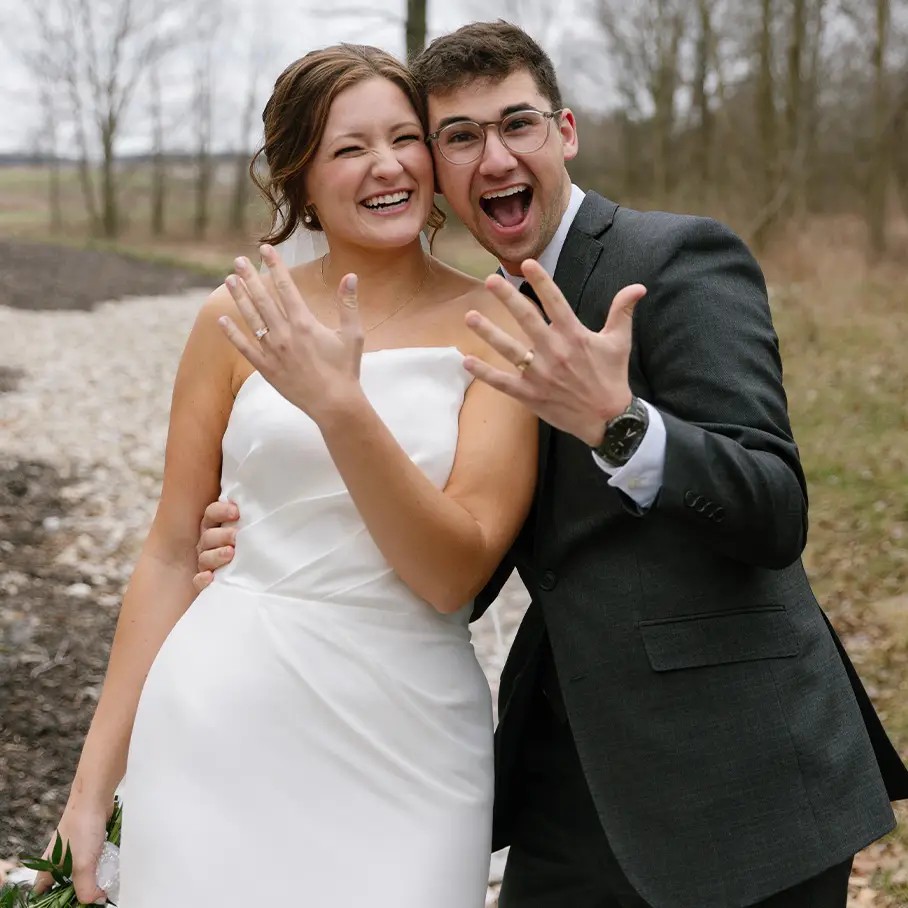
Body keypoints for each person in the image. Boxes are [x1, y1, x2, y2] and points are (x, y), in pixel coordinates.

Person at [196, 21, 908, 908]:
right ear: (438, 174)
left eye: (517, 124)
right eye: (459, 136)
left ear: (563, 133)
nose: (493, 157)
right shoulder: (481, 317)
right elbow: (466, 530)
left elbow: (774, 509)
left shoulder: (676, 258)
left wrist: (620, 426)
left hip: (741, 782)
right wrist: (265, 540)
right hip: (569, 775)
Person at [31, 43, 554, 908]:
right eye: (349, 148)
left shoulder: (497, 323)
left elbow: (452, 572)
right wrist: (89, 793)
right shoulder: (234, 315)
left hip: (410, 731)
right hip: (223, 711)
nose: (386, 166)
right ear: (299, 179)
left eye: (404, 138)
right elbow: (169, 553)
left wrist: (339, 405)